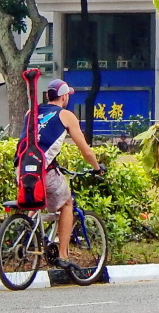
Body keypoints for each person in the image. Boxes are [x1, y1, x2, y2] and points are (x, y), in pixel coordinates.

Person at [22, 79, 103, 267]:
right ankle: (63, 255)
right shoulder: (65, 115)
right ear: (64, 96)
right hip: (42, 170)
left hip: (22, 169)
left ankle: (28, 232)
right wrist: (97, 168)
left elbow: (36, 141)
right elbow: (86, 151)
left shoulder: (31, 113)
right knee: (67, 203)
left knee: (35, 200)